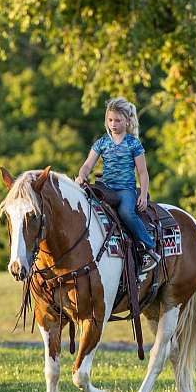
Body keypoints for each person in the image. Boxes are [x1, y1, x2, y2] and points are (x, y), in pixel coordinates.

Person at [75, 96, 161, 273]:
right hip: (106, 188)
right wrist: (81, 176)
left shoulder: (133, 144)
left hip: (125, 190)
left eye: (118, 120)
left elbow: (142, 173)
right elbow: (87, 164)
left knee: (126, 212)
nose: (113, 124)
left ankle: (149, 248)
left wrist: (143, 194)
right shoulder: (102, 142)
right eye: (110, 120)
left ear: (127, 121)